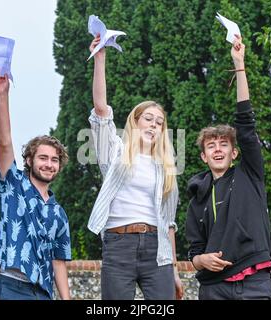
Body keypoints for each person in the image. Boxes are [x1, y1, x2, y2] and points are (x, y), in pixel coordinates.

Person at [87, 34, 183, 300]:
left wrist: (174, 270)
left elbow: (169, 222)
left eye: (159, 122)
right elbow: (101, 110)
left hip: (157, 249)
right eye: (148, 119)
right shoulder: (115, 152)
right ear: (136, 121)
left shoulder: (166, 167)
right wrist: (100, 58)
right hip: (119, 245)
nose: (153, 124)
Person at [186, 35, 271, 300]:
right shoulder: (197, 197)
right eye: (210, 145)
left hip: (254, 282)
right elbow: (194, 252)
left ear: (234, 153)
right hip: (214, 287)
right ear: (204, 156)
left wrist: (239, 65)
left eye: (223, 144)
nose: (217, 149)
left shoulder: (250, 174)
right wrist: (202, 260)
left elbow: (246, 125)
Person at [0, 71, 72, 300]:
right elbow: (4, 143)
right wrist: (2, 95)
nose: (49, 164)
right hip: (10, 287)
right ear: (29, 160)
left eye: (54, 160)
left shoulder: (59, 214)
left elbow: (59, 261)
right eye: (43, 158)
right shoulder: (12, 186)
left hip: (43, 293)